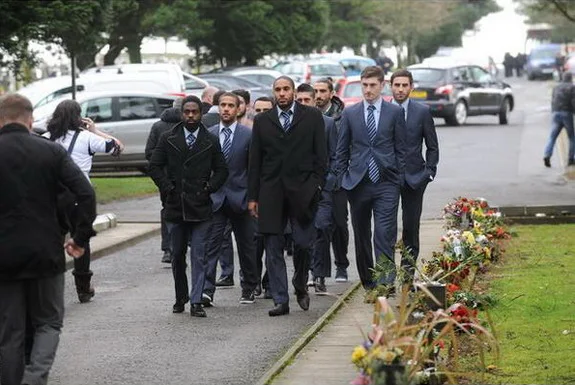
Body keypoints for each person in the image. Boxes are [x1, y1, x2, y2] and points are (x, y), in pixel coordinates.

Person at [0, 93, 96, 385]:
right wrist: (79, 237)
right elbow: (85, 193)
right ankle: (35, 377)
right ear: (30, 120)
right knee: (48, 322)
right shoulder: (50, 152)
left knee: (10, 331)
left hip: (3, 255)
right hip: (46, 250)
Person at [248, 76, 327, 316]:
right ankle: (280, 300)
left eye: (286, 89)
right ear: (273, 92)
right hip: (271, 191)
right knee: (273, 246)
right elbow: (255, 161)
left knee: (303, 243)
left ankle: (300, 283)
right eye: (278, 90)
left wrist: (317, 185)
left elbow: (321, 155)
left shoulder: (311, 116)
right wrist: (253, 196)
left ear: (293, 91)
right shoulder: (263, 121)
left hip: (303, 190)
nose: (282, 93)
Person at [149, 95, 228, 318]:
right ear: (182, 113)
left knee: (200, 254)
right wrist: (168, 187)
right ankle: (180, 296)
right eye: (187, 112)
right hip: (175, 205)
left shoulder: (210, 140)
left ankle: (196, 300)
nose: (191, 116)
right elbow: (154, 166)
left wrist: (209, 187)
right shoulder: (168, 138)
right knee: (177, 255)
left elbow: (222, 169)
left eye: (195, 112)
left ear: (201, 113)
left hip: (201, 206)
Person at [334, 65, 407, 293]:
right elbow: (342, 149)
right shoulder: (350, 113)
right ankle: (368, 282)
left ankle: (385, 283)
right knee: (362, 234)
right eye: (364, 85)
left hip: (386, 182)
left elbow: (401, 149)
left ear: (382, 85)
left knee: (384, 233)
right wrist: (341, 178)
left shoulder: (394, 113)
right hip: (358, 183)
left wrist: (398, 177)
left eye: (372, 85)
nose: (368, 90)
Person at [43, 99, 124, 303]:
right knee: (81, 241)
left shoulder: (45, 139)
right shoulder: (87, 137)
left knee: (54, 241)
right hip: (79, 196)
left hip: (52, 197)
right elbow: (117, 147)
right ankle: (83, 287)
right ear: (78, 117)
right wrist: (96, 130)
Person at [204, 92, 259, 305]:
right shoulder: (209, 134)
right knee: (212, 247)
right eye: (222, 105)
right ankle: (207, 290)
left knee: (247, 247)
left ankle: (249, 287)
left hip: (242, 198)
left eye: (230, 106)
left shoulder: (248, 135)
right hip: (216, 200)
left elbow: (254, 169)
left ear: (238, 109)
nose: (226, 109)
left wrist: (254, 198)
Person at [389, 69, 439, 285]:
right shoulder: (383, 111)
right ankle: (387, 276)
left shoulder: (422, 112)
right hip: (388, 178)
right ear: (390, 86)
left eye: (404, 85)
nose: (400, 89)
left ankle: (407, 275)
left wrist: (429, 172)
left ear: (411, 87)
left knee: (411, 226)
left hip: (415, 178)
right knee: (387, 228)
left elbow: (432, 146)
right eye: (397, 85)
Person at [295, 83, 338, 295]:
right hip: (297, 189)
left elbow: (335, 156)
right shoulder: (290, 124)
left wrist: (327, 181)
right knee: (301, 235)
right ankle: (302, 276)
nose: (303, 104)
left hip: (322, 188)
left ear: (315, 101)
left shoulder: (328, 124)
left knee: (322, 227)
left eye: (307, 100)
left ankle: (319, 275)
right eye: (299, 101)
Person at [313, 78, 349, 282]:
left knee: (339, 224)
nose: (318, 95)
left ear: (331, 93)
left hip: (338, 179)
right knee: (320, 226)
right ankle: (318, 271)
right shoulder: (309, 116)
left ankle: (341, 264)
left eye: (322, 91)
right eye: (315, 91)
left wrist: (337, 175)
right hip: (318, 180)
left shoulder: (341, 117)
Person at [145, 98, 183, 264]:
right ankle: (181, 243)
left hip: (164, 177)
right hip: (184, 176)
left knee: (167, 209)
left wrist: (161, 166)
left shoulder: (158, 126)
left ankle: (168, 248)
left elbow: (149, 153)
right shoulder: (188, 126)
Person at [544, 71, 575, 168]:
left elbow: (553, 100)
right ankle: (571, 159)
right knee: (572, 137)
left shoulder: (556, 87)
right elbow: (573, 102)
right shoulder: (572, 87)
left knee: (552, 136)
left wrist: (554, 111)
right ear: (570, 78)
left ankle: (547, 155)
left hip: (555, 113)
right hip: (566, 113)